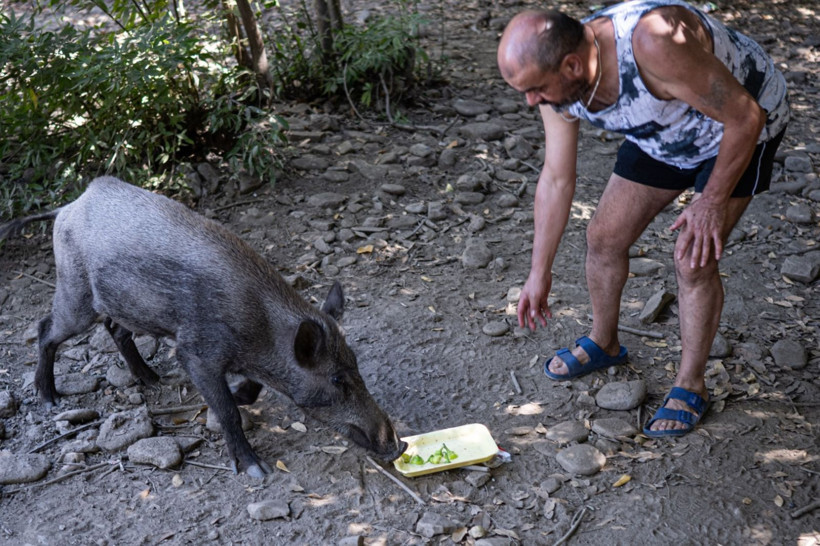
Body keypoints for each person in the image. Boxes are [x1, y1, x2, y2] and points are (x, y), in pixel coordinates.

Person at [496, 0, 789, 437]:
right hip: (663, 128)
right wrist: (538, 273)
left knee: (693, 258)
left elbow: (746, 116)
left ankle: (691, 384)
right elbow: (556, 178)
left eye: (536, 90)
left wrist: (709, 201)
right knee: (604, 237)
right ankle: (604, 341)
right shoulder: (558, 79)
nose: (530, 101)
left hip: (739, 127)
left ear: (573, 65)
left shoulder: (652, 43)